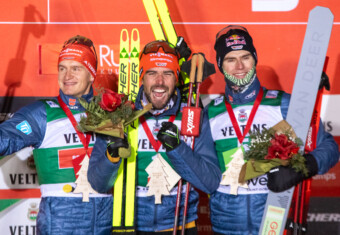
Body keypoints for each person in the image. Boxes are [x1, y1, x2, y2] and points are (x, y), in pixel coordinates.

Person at [207, 25, 339, 235]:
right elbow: (203, 171)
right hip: (226, 225)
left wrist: (303, 166)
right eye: (231, 59)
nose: (240, 66)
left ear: (255, 59)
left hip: (273, 220)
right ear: (221, 65)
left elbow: (330, 148)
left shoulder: (283, 104)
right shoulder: (211, 113)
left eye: (246, 57)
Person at [87, 40, 221, 234]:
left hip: (180, 226)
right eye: (152, 73)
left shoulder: (191, 116)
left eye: (167, 73)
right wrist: (111, 157)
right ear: (142, 77)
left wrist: (178, 149)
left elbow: (210, 182)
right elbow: (98, 184)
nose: (159, 81)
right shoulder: (120, 114)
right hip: (130, 225)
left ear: (176, 78)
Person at [0, 35, 121, 234]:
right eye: (62, 68)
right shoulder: (41, 113)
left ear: (91, 74)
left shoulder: (109, 112)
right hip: (60, 220)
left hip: (104, 219)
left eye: (76, 68)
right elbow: (4, 139)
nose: (67, 75)